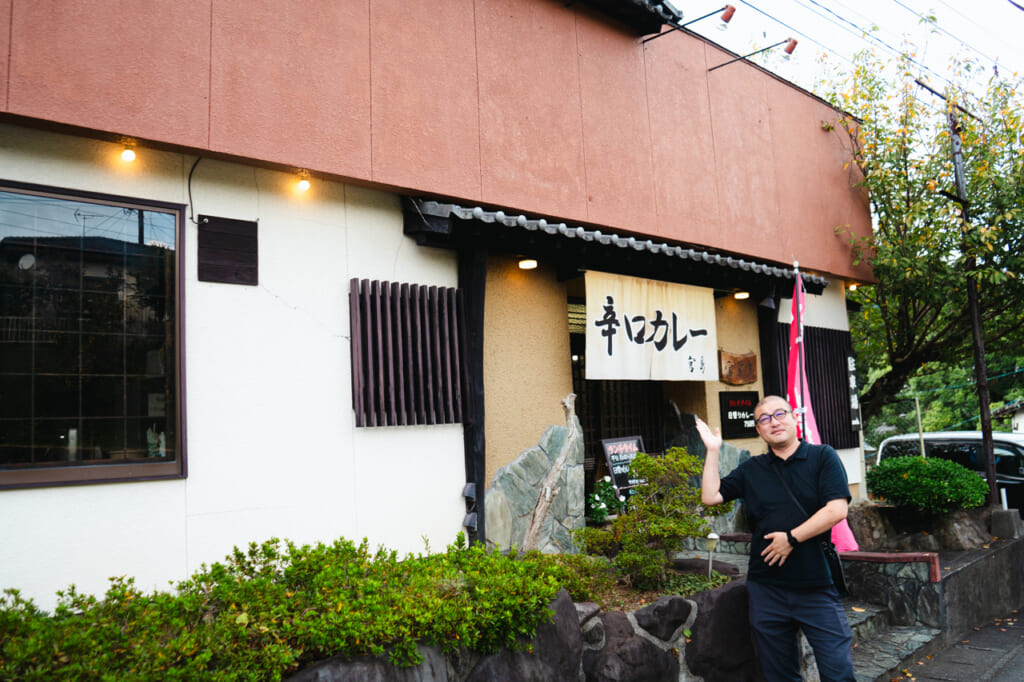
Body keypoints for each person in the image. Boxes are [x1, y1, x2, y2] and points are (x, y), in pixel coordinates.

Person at [696, 395, 855, 682]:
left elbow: (837, 509)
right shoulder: (752, 469)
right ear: (758, 430)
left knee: (838, 672)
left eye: (779, 414)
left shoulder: (823, 457)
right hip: (766, 589)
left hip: (816, 586)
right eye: (764, 419)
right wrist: (713, 450)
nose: (773, 422)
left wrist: (791, 539)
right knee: (779, 675)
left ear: (794, 418)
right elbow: (710, 496)